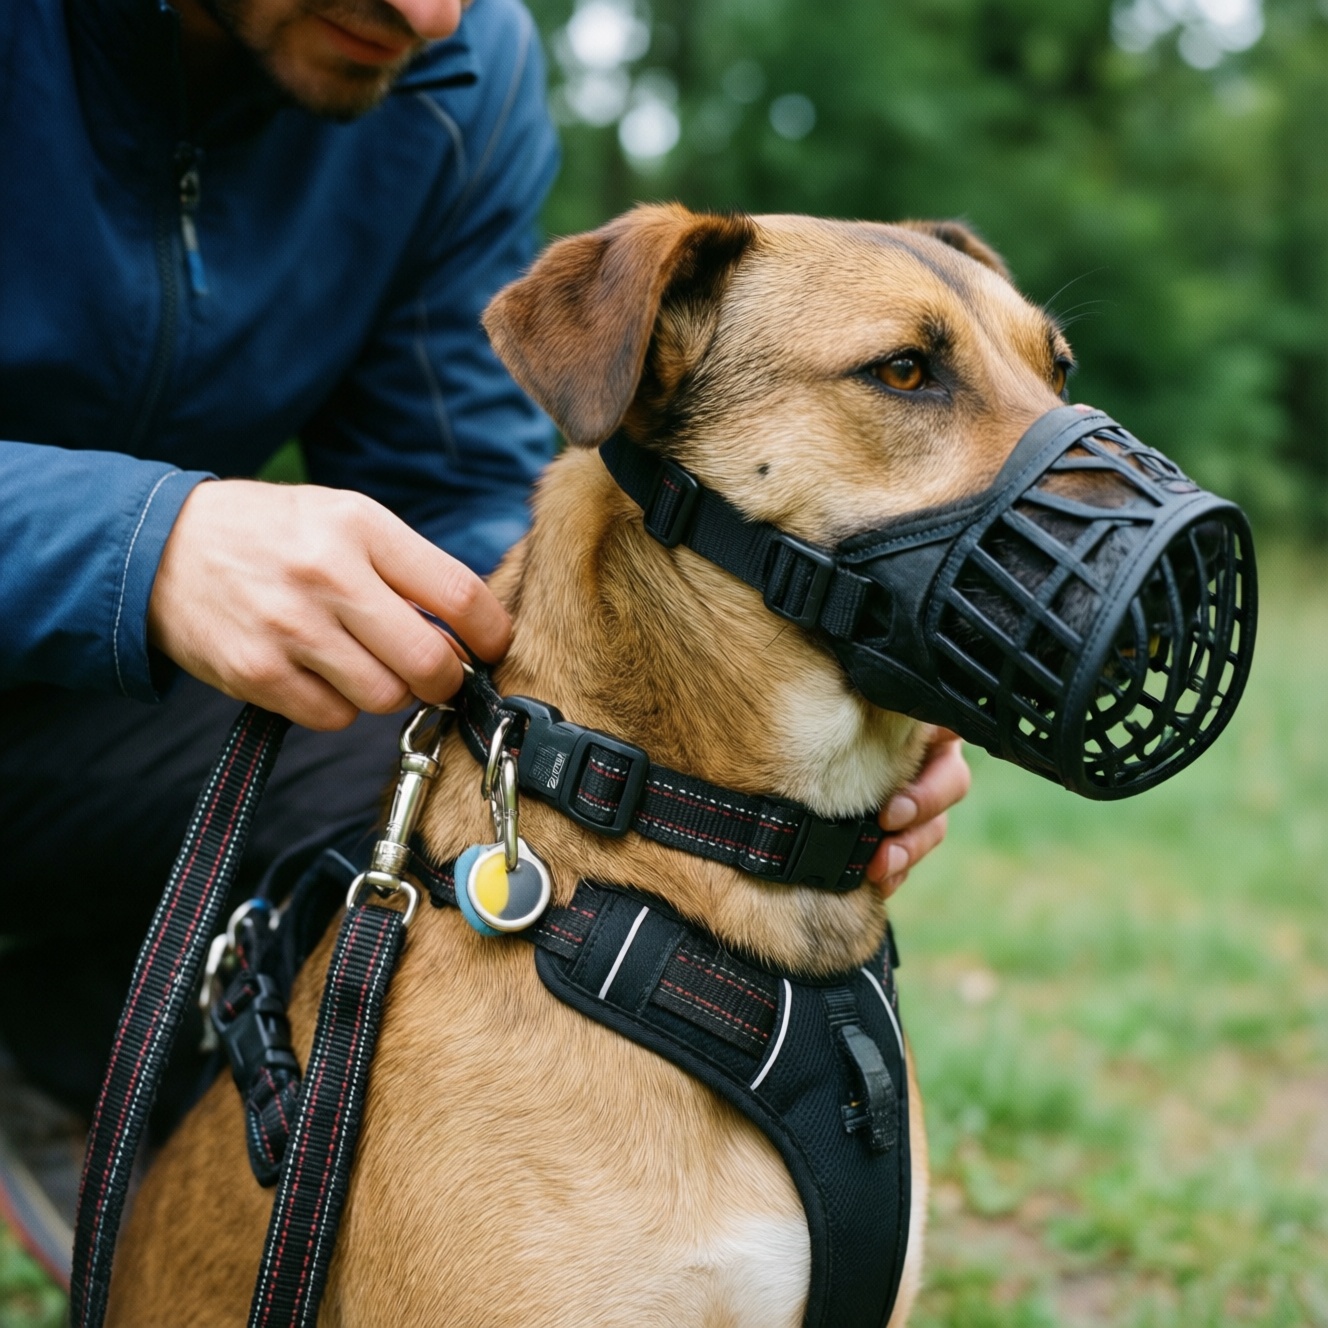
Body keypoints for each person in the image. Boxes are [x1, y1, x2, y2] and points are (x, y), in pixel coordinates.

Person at [0, 0, 969, 1276]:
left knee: (437, 765)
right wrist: (145, 541)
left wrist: (768, 716)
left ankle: (89, 1060)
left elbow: (449, 481)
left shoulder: (453, 73)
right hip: (89, 612)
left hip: (88, 716)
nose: (428, 13)